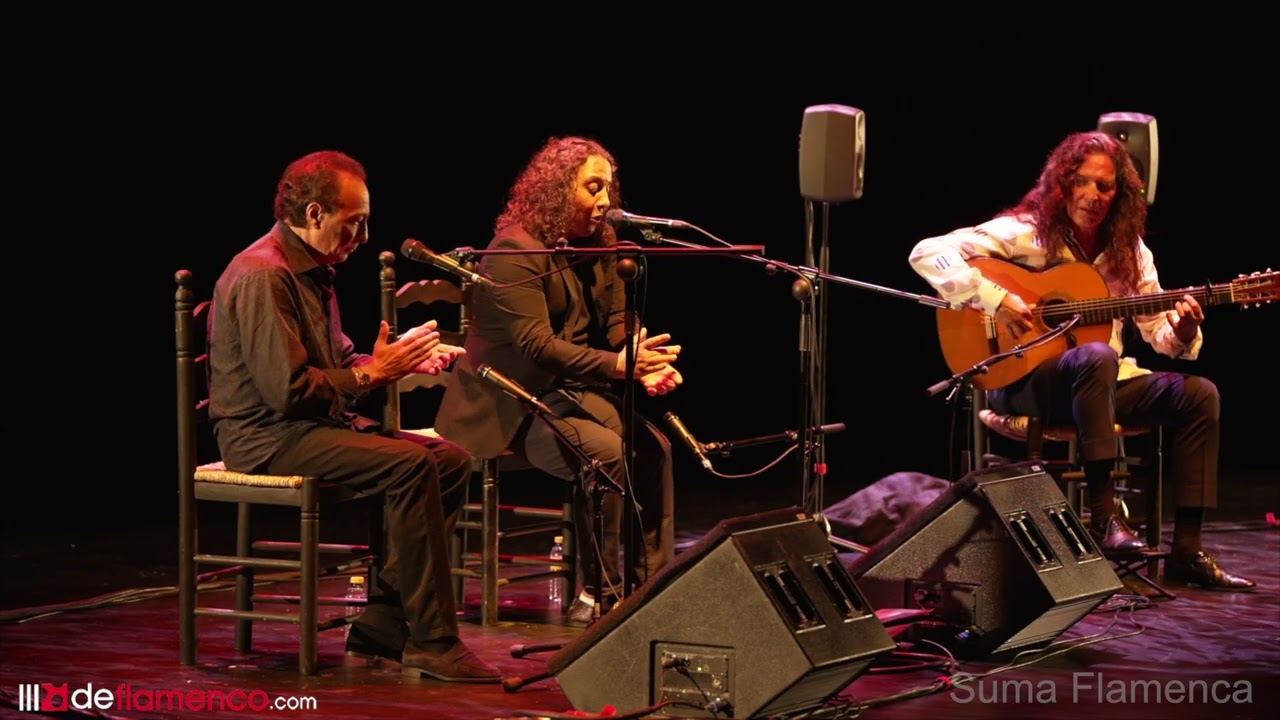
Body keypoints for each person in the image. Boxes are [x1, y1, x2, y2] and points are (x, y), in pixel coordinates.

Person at [908, 131, 1254, 591]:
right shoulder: (1026, 232)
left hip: (1099, 386)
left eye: (1105, 187)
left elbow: (1160, 335)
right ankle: (1105, 516)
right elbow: (926, 252)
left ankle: (1187, 551)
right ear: (1063, 185)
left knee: (1198, 395)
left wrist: (1185, 330)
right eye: (1082, 183)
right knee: (1096, 356)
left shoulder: (1131, 253)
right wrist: (996, 298)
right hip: (1027, 382)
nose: (1092, 196)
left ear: (1120, 195)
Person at [207, 150, 504, 681]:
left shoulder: (312, 270)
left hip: (309, 425)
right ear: (316, 214)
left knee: (450, 460)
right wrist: (375, 374)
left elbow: (340, 360)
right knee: (410, 467)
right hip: (266, 436)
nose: (364, 237)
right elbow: (289, 393)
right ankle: (433, 640)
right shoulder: (263, 275)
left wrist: (396, 362)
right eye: (356, 223)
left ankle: (386, 621)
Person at [434, 136, 683, 624]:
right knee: (607, 453)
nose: (605, 201)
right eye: (593, 188)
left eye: (608, 189)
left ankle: (654, 585)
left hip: (566, 394)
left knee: (654, 450)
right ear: (556, 190)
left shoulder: (600, 247)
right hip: (507, 404)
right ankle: (605, 595)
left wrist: (642, 356)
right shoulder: (513, 250)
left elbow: (616, 324)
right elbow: (535, 345)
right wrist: (617, 366)